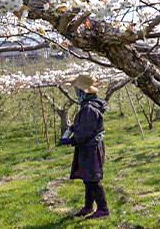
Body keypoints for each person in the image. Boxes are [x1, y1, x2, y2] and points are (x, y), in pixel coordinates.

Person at [61, 72, 109, 219]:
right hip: (89, 147)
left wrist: (71, 140)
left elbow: (85, 133)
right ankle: (88, 206)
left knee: (93, 179)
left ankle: (103, 209)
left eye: (77, 89)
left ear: (83, 91)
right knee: (88, 178)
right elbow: (83, 126)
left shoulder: (89, 108)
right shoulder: (88, 106)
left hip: (91, 147)